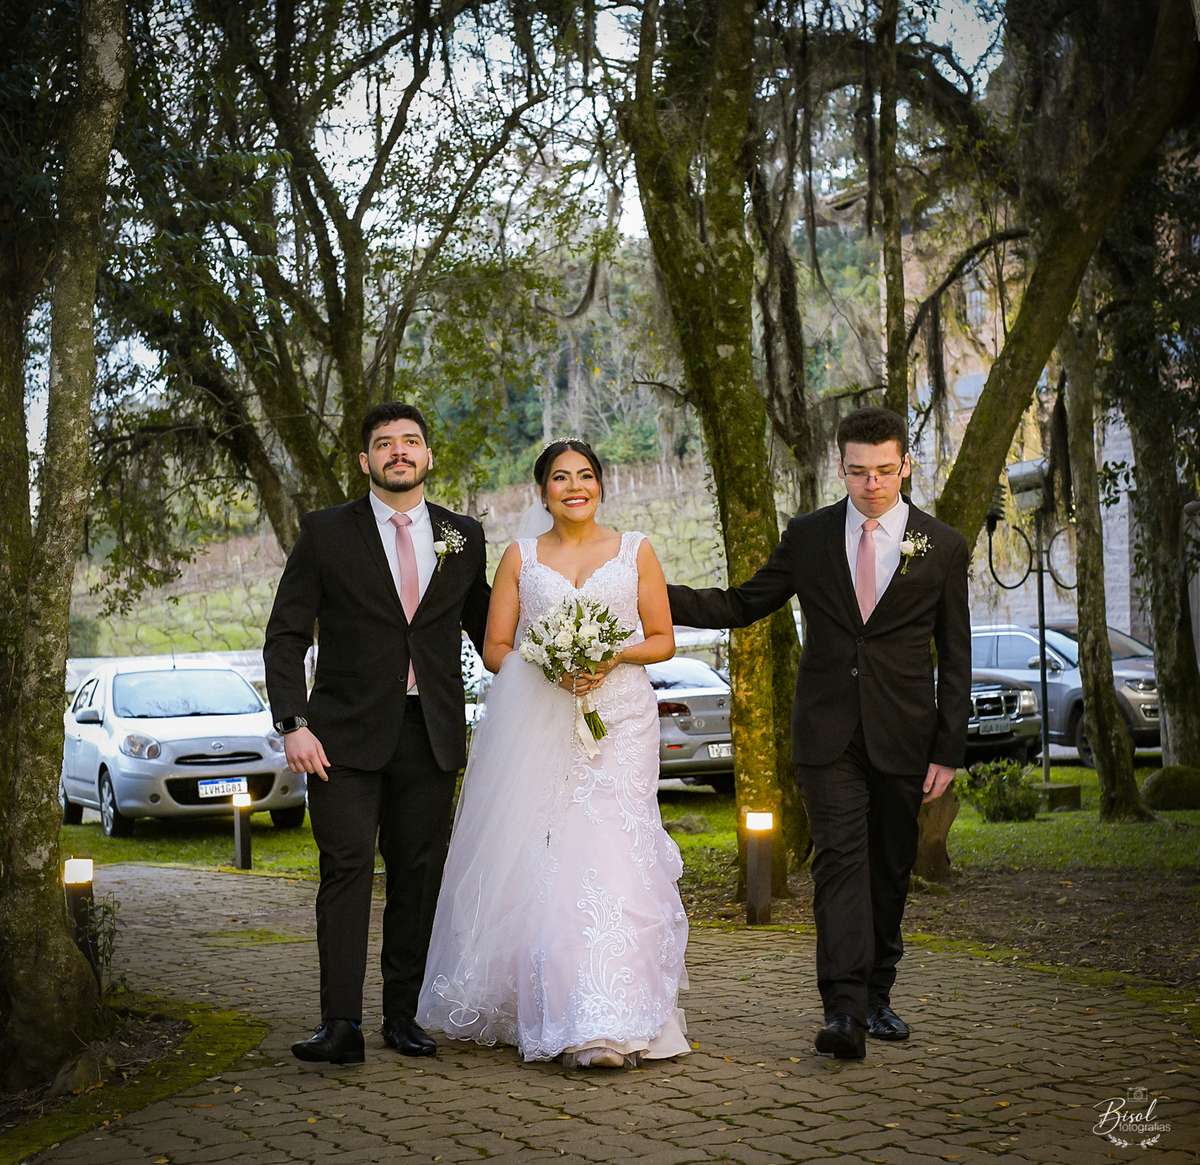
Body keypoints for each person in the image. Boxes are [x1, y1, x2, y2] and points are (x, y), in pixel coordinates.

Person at [667, 406, 970, 1060]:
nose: (871, 483)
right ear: (841, 467)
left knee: (889, 867)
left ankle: (878, 993)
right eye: (858, 471)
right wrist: (646, 591)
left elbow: (956, 653)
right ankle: (844, 1010)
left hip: (905, 735)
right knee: (839, 862)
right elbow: (742, 603)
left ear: (905, 464)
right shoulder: (808, 536)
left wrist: (949, 748)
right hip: (827, 734)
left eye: (884, 470)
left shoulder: (942, 545)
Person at [417, 439, 690, 1069]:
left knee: (616, 853)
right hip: (544, 719)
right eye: (561, 478)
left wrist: (610, 654)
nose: (575, 487)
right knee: (557, 857)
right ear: (542, 491)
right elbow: (495, 648)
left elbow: (662, 639)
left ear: (601, 484)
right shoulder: (521, 557)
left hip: (622, 721)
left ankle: (618, 1015)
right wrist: (549, 664)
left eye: (586, 475)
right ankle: (569, 1014)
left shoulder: (636, 550)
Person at [264, 402, 490, 1065]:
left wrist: (561, 656)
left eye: (410, 441)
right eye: (385, 443)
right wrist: (293, 723)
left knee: (418, 877)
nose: (399, 451)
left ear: (428, 456)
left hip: (431, 733)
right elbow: (286, 634)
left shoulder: (464, 536)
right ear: (366, 460)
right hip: (340, 739)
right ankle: (340, 1024)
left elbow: (489, 631)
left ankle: (403, 1016)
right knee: (347, 870)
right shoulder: (325, 533)